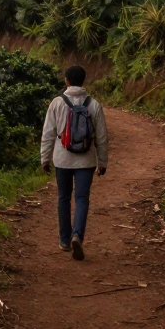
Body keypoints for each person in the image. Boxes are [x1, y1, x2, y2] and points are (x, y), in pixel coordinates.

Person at [40, 65, 108, 261]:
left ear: (66, 80)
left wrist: (45, 158)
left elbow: (48, 134)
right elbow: (102, 137)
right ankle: (77, 234)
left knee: (63, 198)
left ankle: (64, 240)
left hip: (62, 159)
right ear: (84, 81)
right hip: (86, 160)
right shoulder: (93, 104)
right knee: (81, 198)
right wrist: (102, 161)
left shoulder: (57, 103)